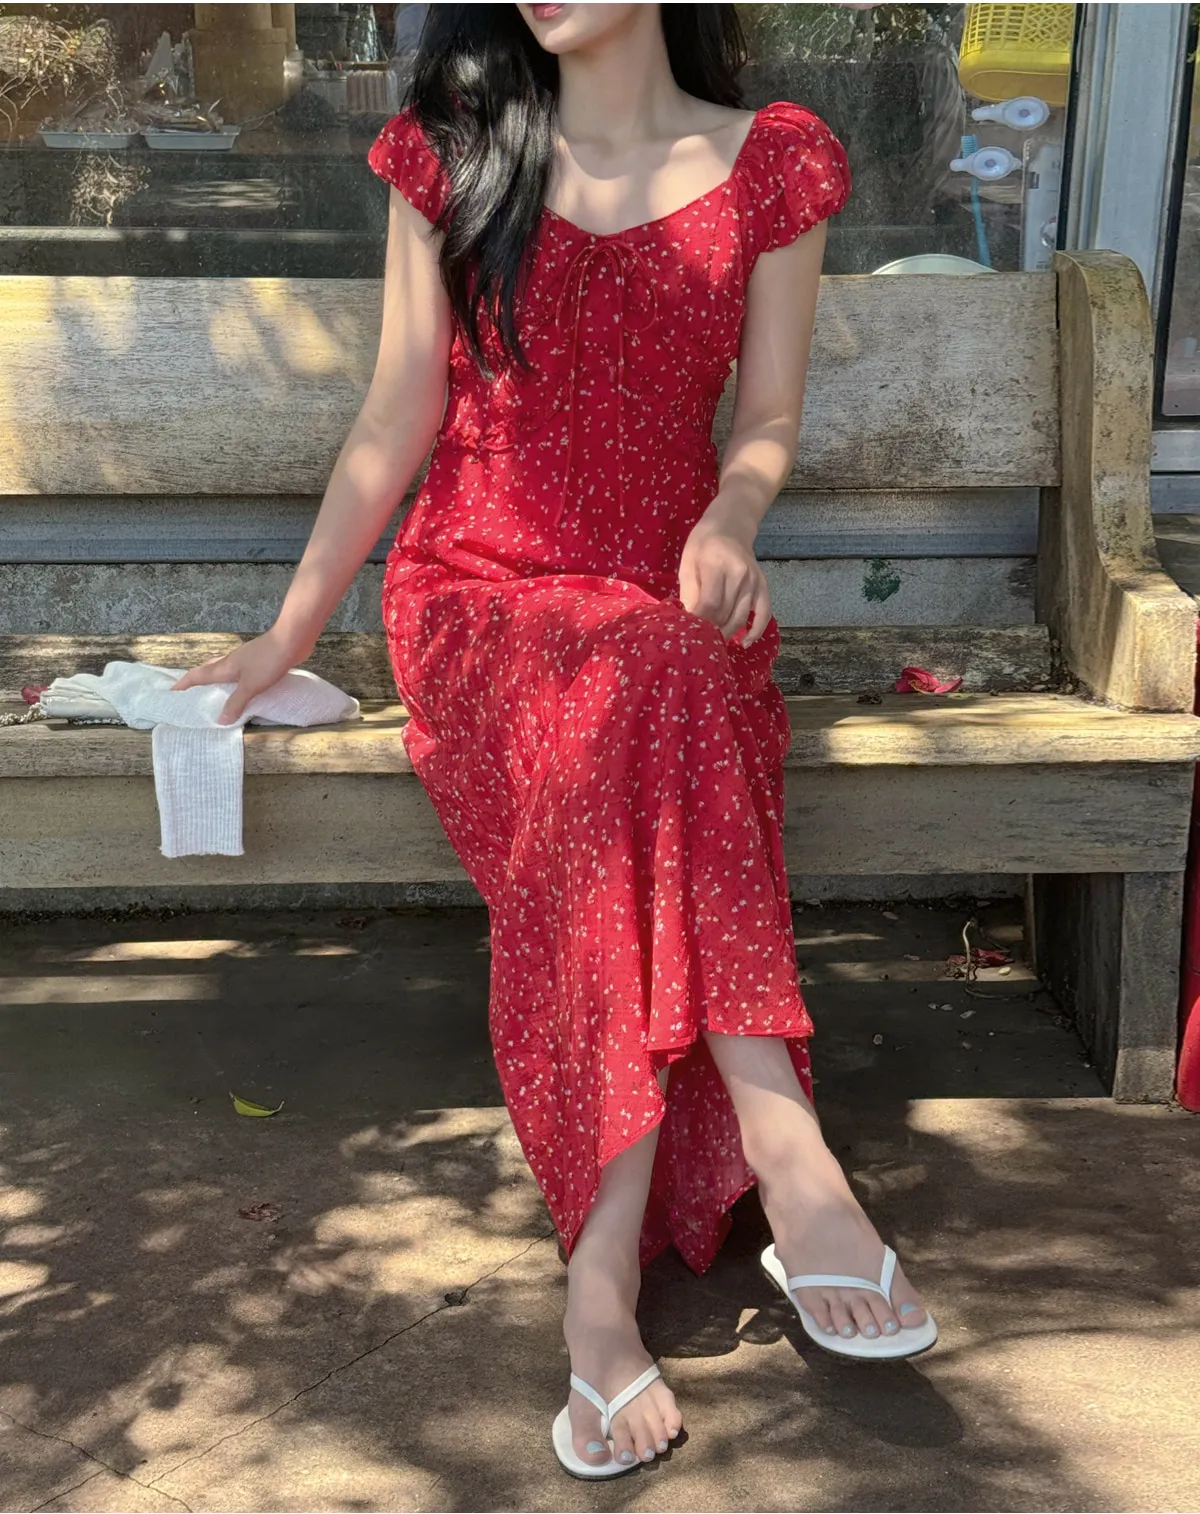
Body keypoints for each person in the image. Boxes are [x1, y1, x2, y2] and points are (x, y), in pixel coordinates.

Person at [172, 1, 935, 1480]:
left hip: (671, 600)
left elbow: (768, 415)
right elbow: (395, 417)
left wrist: (732, 517)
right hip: (482, 600)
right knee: (636, 691)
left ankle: (599, 1278)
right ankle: (786, 1146)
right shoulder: (455, 157)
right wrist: (286, 633)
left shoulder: (774, 162)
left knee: (649, 686)